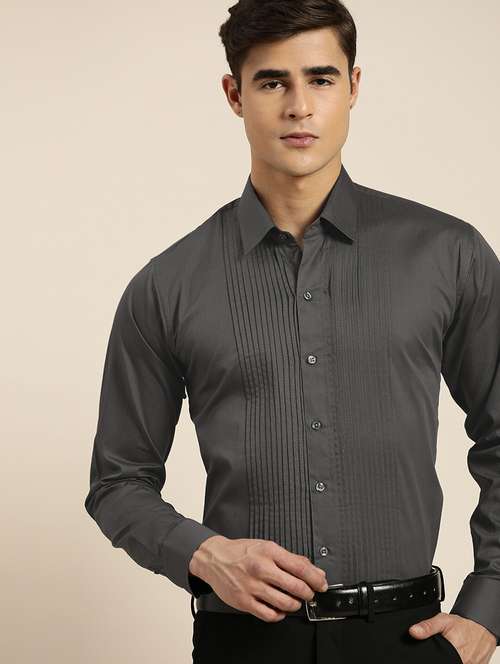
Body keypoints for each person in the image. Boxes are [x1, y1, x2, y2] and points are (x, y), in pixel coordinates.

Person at [84, 1, 500, 662]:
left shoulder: (448, 254)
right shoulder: (167, 284)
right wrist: (203, 553)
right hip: (244, 642)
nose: (299, 106)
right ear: (235, 95)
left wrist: (489, 606)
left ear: (353, 86)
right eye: (273, 82)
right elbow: (117, 482)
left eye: (321, 79)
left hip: (408, 638)